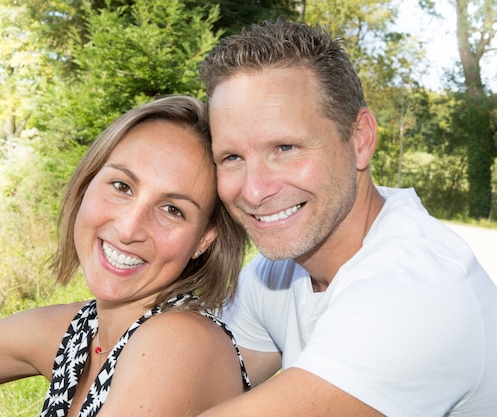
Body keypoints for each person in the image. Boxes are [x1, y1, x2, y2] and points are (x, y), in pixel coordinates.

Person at [0, 95, 251, 417]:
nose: (129, 229)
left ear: (204, 239)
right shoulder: (79, 330)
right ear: (87, 183)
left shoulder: (179, 340)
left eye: (172, 210)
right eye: (121, 186)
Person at [197, 18, 497, 416]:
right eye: (232, 157)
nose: (253, 191)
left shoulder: (416, 293)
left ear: (361, 139)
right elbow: (194, 380)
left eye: (286, 147)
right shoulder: (276, 275)